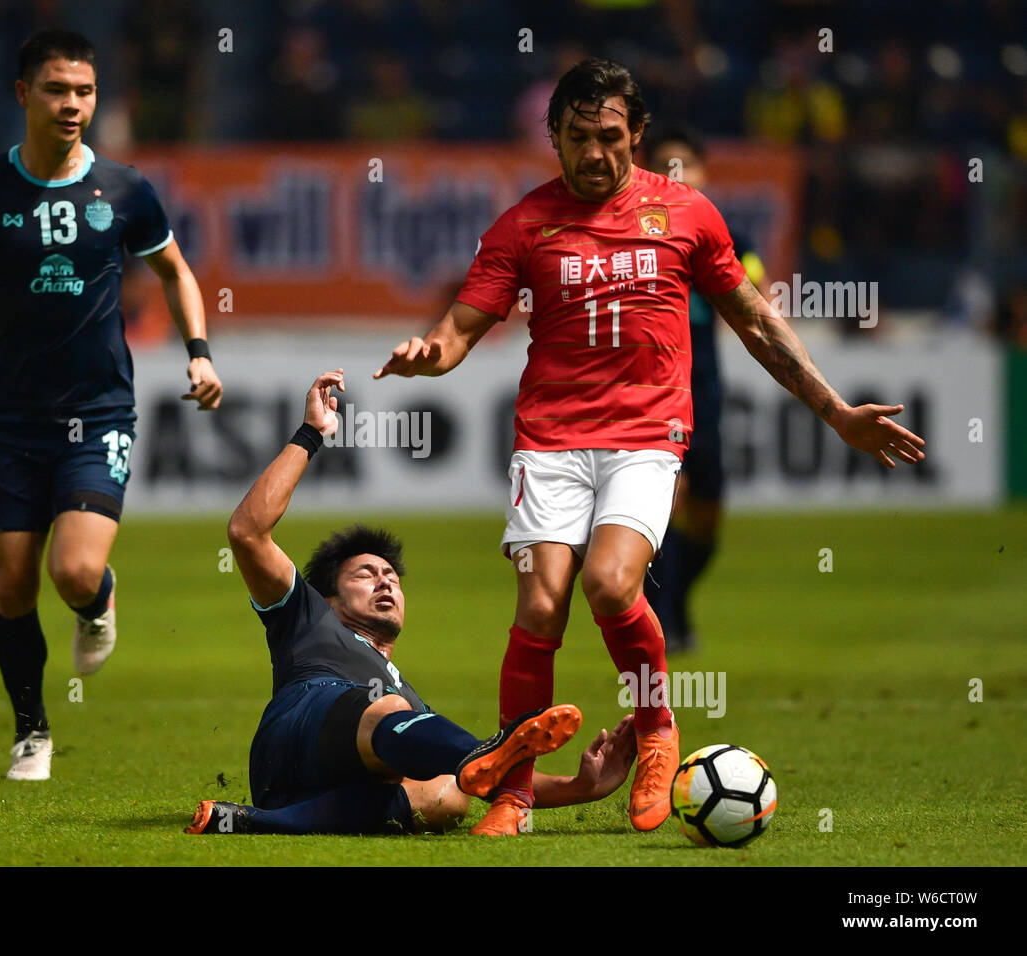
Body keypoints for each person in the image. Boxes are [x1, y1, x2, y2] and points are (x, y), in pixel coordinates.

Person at [376, 58, 925, 835]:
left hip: (646, 437)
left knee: (607, 583)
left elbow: (758, 322)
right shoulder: (524, 225)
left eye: (609, 137)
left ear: (637, 134)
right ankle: (518, 791)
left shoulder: (687, 214)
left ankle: (657, 730)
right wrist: (430, 353)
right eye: (576, 138)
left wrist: (834, 412)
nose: (594, 154)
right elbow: (461, 326)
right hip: (550, 440)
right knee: (538, 603)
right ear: (553, 138)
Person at [0, 29, 223, 780]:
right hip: (12, 419)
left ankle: (100, 600)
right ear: (24, 94)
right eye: (58, 90)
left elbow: (180, 272)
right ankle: (32, 731)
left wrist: (199, 354)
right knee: (11, 585)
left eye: (85, 91)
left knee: (75, 573)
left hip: (100, 412)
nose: (73, 105)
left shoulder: (125, 190)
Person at [186, 371, 635, 835]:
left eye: (392, 577)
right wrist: (311, 434)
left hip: (308, 794)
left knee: (447, 792)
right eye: (365, 573)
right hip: (297, 729)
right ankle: (481, 747)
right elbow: (246, 532)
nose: (385, 582)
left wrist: (582, 785)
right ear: (329, 598)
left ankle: (252, 822)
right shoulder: (305, 615)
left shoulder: (407, 702)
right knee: (405, 721)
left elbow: (486, 778)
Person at [641, 126, 766, 651]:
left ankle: (677, 602)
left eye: (686, 165)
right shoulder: (633, 234)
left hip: (706, 395)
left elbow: (750, 293)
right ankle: (664, 624)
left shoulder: (727, 235)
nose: (677, 175)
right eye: (665, 164)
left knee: (708, 519)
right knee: (668, 504)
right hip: (653, 397)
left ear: (703, 173)